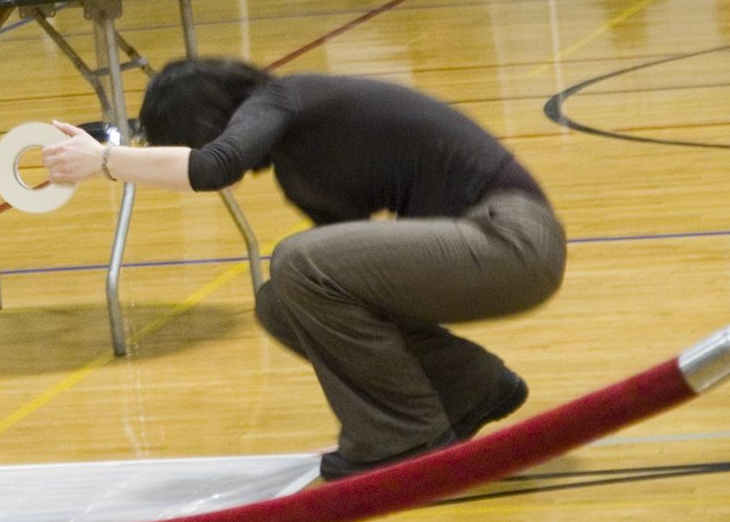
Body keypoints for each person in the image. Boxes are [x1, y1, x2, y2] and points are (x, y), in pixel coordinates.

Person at [41, 59, 566, 481]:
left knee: (297, 260)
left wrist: (105, 161)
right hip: (492, 253)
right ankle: (468, 386)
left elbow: (216, 166)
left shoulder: (283, 96)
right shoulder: (300, 172)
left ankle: (403, 436)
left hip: (513, 237)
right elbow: (347, 291)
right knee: (282, 303)